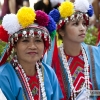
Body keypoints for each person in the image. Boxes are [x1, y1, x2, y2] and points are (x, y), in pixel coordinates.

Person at [0, 7, 63, 100]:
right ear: (14, 46)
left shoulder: (49, 73)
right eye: (25, 40)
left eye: (38, 40)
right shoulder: (4, 76)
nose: (32, 46)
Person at [46, 0, 100, 99]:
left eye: (84, 24)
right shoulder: (52, 59)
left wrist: (89, 94)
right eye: (75, 24)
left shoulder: (96, 53)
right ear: (61, 31)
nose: (82, 28)